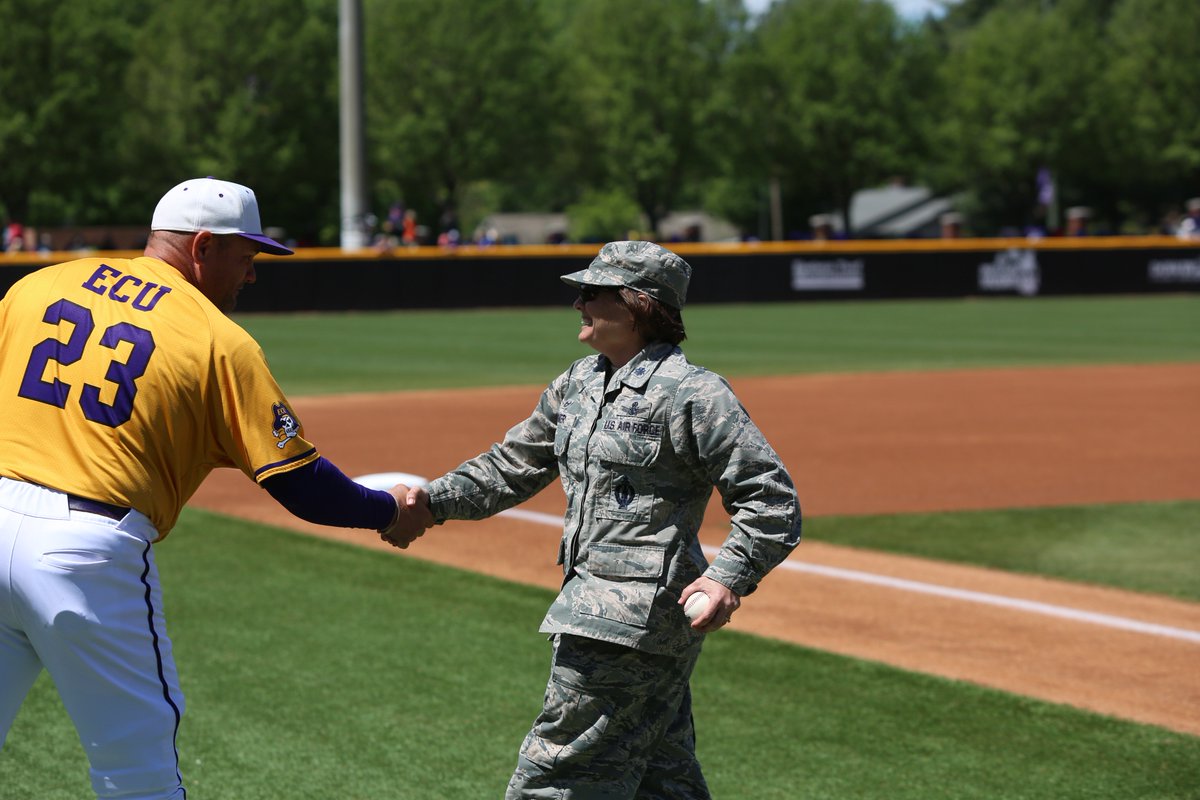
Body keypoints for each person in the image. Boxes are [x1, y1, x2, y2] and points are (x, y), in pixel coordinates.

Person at [0, 177, 431, 799]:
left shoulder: (36, 285)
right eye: (246, 255)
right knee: (135, 766)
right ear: (202, 246)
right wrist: (385, 510)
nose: (252, 274)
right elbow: (304, 485)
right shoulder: (216, 339)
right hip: (85, 555)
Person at [389, 241, 802, 798]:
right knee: (662, 779)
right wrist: (428, 502)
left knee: (554, 779)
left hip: (631, 623)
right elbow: (511, 466)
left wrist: (727, 577)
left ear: (636, 304)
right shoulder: (580, 382)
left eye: (594, 292)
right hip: (600, 610)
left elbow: (772, 501)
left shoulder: (693, 394)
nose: (578, 302)